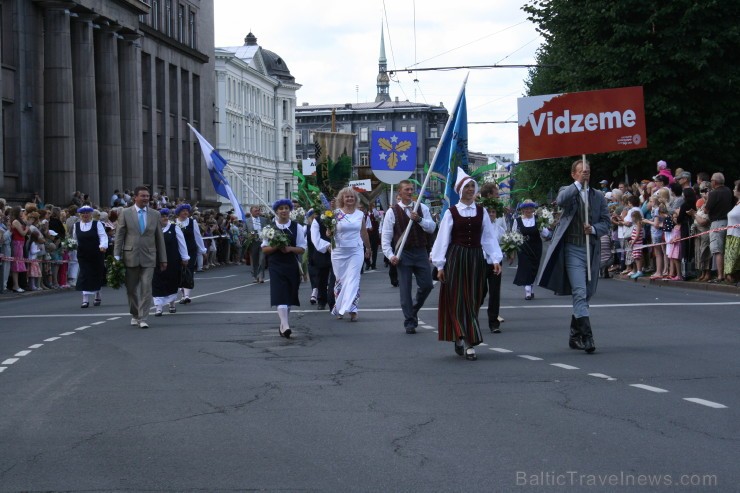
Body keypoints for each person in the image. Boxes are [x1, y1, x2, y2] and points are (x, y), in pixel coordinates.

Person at [538, 159, 611, 353]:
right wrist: (578, 185)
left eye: (588, 170)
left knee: (587, 293)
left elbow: (607, 223)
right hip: (573, 249)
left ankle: (574, 335)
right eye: (582, 171)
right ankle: (588, 337)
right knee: (579, 291)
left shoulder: (598, 196)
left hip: (591, 249)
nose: (586, 173)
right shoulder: (568, 191)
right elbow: (561, 201)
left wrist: (594, 228)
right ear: (574, 174)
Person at [430, 170, 503, 361]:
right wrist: (440, 265)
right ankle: (469, 341)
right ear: (460, 190)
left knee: (473, 299)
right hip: (457, 257)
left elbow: (488, 237)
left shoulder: (482, 211)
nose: (470, 190)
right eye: (467, 187)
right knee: (458, 299)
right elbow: (442, 239)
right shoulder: (451, 212)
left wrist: (495, 259)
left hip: (476, 258)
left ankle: (462, 334)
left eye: (472, 186)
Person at [381, 180, 436, 334]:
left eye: (412, 189)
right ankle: (409, 321)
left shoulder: (422, 208)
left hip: (420, 251)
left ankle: (413, 309)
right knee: (405, 288)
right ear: (399, 192)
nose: (410, 192)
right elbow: (386, 237)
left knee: (427, 285)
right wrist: (390, 255)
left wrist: (419, 219)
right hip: (403, 253)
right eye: (406, 189)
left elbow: (432, 228)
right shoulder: (392, 212)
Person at [114, 186, 167, 329]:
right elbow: (119, 235)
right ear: (135, 198)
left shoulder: (155, 214)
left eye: (147, 196)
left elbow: (159, 237)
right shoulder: (125, 213)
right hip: (130, 255)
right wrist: (116, 256)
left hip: (149, 256)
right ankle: (135, 313)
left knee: (146, 287)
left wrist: (163, 259)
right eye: (143, 196)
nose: (146, 199)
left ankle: (143, 317)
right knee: (131, 289)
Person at [262, 199, 307, 338]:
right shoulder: (269, 228)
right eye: (280, 208)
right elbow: (264, 248)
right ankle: (286, 325)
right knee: (280, 293)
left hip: (291, 263)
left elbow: (302, 248)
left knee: (289, 294)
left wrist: (289, 249)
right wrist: (276, 246)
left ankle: (283, 324)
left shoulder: (297, 227)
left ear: (290, 210)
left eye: (286, 208)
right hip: (276, 264)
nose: (284, 211)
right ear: (276, 211)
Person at [328, 186, 371, 321]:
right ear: (342, 199)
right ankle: (340, 308)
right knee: (341, 281)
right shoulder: (335, 213)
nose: (350, 199)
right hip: (339, 251)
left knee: (353, 279)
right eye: (347, 196)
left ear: (355, 199)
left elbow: (363, 232)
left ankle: (353, 309)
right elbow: (329, 232)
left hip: (356, 250)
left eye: (352, 196)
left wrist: (368, 248)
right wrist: (329, 232)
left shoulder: (360, 214)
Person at [479, 182, 507, 333]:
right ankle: (473, 313)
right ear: (489, 195)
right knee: (481, 290)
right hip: (482, 259)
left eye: (493, 212)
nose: (491, 214)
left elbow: (504, 234)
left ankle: (493, 322)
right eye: (496, 193)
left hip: (496, 259)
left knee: (495, 292)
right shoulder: (478, 212)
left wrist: (510, 248)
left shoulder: (500, 214)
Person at [153, 209, 190, 316]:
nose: (165, 218)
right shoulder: (153, 229)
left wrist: (185, 258)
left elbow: (182, 243)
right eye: (162, 216)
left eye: (166, 216)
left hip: (173, 260)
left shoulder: (174, 228)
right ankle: (158, 308)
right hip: (157, 260)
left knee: (172, 282)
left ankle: (172, 304)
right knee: (156, 283)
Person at [72, 206, 108, 308]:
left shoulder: (97, 224)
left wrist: (103, 246)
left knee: (96, 274)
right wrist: (71, 245)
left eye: (87, 213)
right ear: (80, 215)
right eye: (83, 213)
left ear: (91, 214)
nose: (85, 215)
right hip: (83, 254)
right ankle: (85, 299)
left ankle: (97, 295)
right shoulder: (76, 225)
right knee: (84, 274)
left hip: (96, 253)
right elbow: (74, 239)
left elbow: (103, 236)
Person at [512, 199, 546, 300]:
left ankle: (531, 287)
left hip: (536, 247)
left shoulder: (537, 219)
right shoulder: (517, 220)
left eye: (530, 208)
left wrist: (550, 226)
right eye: (526, 208)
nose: (528, 210)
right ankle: (527, 290)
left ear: (533, 209)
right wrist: (512, 250)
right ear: (522, 210)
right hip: (523, 247)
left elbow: (545, 233)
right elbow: (514, 234)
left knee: (533, 268)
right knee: (525, 267)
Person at [703, 173, 734, 283]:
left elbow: (706, 210)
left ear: (714, 182)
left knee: (717, 250)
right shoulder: (728, 191)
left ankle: (720, 275)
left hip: (716, 223)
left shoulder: (713, 193)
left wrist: (706, 199)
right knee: (726, 248)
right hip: (728, 222)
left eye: (711, 180)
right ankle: (728, 273)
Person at [174, 204, 206, 304]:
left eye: (187, 211)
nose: (185, 213)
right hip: (177, 251)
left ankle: (187, 295)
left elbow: (198, 237)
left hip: (190, 250)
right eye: (183, 211)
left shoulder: (192, 222)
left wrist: (203, 250)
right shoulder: (173, 223)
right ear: (178, 212)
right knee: (179, 273)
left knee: (188, 271)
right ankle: (182, 294)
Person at [309, 207, 336, 311]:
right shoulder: (317, 220)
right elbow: (315, 238)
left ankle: (332, 300)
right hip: (322, 251)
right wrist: (328, 246)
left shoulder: (339, 217)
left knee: (335, 278)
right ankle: (321, 300)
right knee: (321, 278)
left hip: (336, 251)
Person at [245, 205, 268, 283]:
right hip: (253, 242)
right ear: (251, 212)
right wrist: (248, 235)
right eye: (256, 211)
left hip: (263, 242)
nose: (258, 212)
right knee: (254, 260)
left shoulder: (264, 220)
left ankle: (261, 277)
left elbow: (269, 228)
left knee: (262, 259)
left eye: (258, 210)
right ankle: (255, 276)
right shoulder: (247, 221)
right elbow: (244, 231)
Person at [9, 206, 29, 292]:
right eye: (21, 211)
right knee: (16, 264)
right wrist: (27, 227)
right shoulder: (16, 221)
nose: (22, 213)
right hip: (17, 243)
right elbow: (22, 233)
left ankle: (17, 284)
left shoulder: (20, 221)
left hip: (21, 243)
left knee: (19, 263)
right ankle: (15, 285)